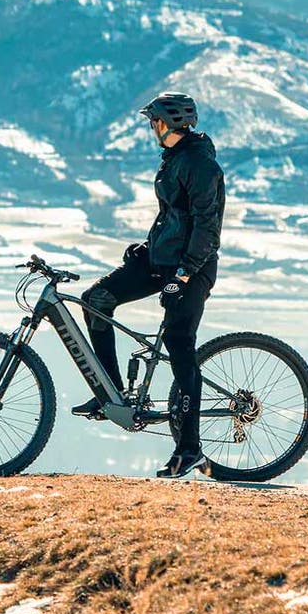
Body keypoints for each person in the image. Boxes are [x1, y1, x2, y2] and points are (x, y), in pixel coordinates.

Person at [70, 92, 225, 479]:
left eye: (151, 121)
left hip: (192, 268)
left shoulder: (200, 165)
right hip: (162, 262)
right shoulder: (174, 160)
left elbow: (208, 227)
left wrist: (185, 274)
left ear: (165, 123)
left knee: (179, 347)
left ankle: (189, 449)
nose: (149, 128)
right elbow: (174, 218)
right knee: (96, 299)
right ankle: (112, 395)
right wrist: (148, 248)